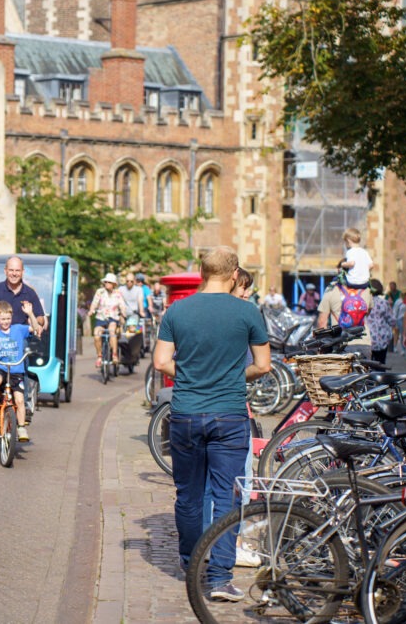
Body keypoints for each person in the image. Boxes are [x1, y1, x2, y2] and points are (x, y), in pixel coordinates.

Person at [152, 246, 271, 599]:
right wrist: (235, 377)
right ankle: (219, 578)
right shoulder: (247, 311)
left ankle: (192, 564)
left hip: (187, 412)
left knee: (188, 495)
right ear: (234, 274)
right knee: (226, 495)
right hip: (229, 414)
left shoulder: (178, 310)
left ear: (202, 273)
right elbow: (263, 365)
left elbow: (161, 361)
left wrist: (189, 375)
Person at [0, 300, 40, 442]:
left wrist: (30, 313)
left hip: (16, 369)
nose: (6, 322)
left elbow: (35, 328)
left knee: (19, 399)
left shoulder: (18, 329)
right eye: (3, 319)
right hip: (0, 367)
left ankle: (22, 427)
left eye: (8, 319)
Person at [316, 276, 373, 358]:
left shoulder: (331, 289)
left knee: (344, 370)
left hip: (341, 343)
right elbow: (367, 312)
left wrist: (322, 346)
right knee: (363, 369)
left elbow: (322, 322)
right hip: (364, 342)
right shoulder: (367, 289)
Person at [88, 273, 128, 367]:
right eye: (105, 282)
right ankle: (99, 356)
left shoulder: (117, 294)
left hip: (113, 317)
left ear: (113, 284)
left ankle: (114, 355)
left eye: (109, 282)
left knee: (112, 331)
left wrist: (123, 313)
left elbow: (122, 305)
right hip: (101, 317)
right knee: (97, 334)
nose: (106, 284)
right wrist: (91, 310)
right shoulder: (100, 292)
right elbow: (94, 303)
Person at [365, 278, 396, 365]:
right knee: (381, 364)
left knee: (367, 365)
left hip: (367, 339)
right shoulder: (384, 303)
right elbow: (392, 320)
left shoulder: (364, 302)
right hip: (382, 338)